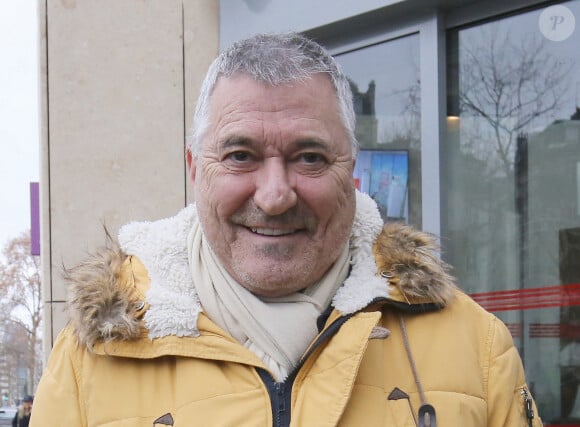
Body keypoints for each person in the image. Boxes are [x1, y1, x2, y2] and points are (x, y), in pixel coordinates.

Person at [31, 32, 542, 426]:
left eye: (310, 157)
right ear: (194, 169)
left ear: (352, 169)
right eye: (240, 156)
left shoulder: (476, 349)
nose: (275, 196)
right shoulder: (89, 361)